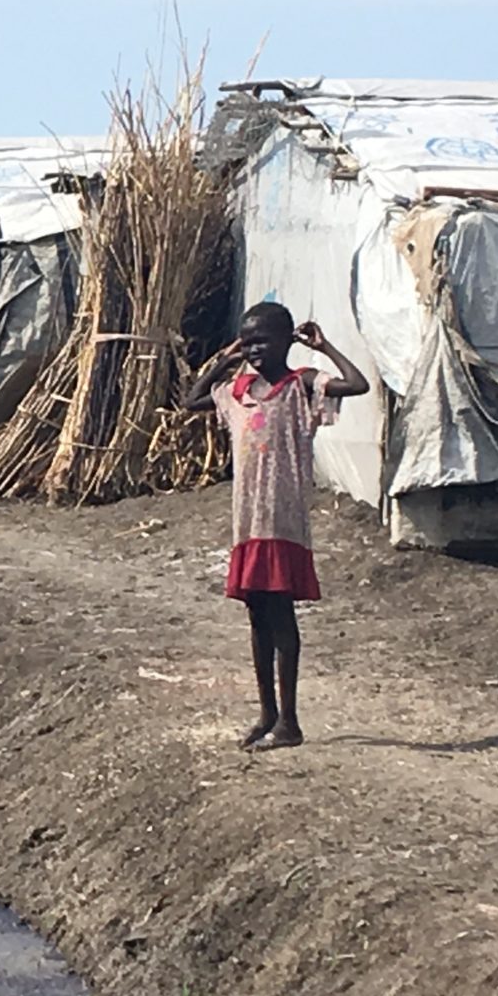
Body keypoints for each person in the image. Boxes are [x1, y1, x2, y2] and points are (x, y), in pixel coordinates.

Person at [185, 303, 369, 750]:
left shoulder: (300, 386)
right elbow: (192, 401)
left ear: (288, 340)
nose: (253, 349)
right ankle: (266, 713)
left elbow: (357, 384)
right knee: (257, 618)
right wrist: (224, 361)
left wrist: (324, 348)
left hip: (283, 523)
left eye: (262, 341)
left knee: (282, 618)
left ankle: (290, 721)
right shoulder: (239, 391)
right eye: (248, 342)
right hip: (247, 524)